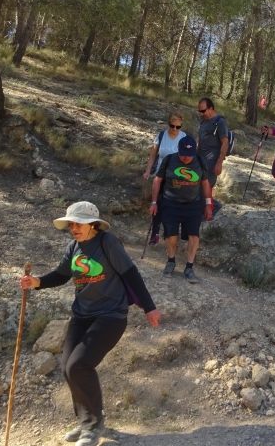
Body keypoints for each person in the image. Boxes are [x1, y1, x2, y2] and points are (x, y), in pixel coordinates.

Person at [19, 202, 160, 446]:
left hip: (110, 315)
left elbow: (130, 273)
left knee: (79, 365)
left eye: (79, 224)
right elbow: (61, 275)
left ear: (92, 224)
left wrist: (149, 307)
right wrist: (36, 282)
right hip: (82, 315)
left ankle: (93, 427)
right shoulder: (73, 247)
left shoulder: (107, 242)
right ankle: (87, 422)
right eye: (71, 224)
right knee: (67, 368)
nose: (74, 228)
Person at [150, 136, 214, 282]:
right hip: (171, 202)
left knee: (194, 235)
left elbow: (205, 184)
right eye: (183, 155)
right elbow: (157, 180)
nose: (186, 158)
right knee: (171, 234)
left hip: (193, 204)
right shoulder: (169, 160)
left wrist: (208, 204)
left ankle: (189, 267)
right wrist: (154, 202)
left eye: (189, 155)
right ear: (178, 149)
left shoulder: (200, 161)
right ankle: (171, 262)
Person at [142, 112, 186, 245]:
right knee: (157, 203)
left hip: (176, 177)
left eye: (178, 127)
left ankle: (169, 233)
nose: (174, 129)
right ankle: (154, 233)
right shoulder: (161, 136)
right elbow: (153, 155)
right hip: (161, 175)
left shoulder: (184, 138)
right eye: (172, 126)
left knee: (170, 205)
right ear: (168, 123)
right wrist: (148, 171)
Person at [197, 98, 227, 217]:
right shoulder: (204, 122)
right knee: (197, 184)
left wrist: (219, 163)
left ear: (211, 108)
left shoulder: (219, 121)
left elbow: (225, 142)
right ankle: (206, 209)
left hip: (212, 159)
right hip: (200, 158)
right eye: (199, 111)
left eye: (203, 111)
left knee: (206, 185)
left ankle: (212, 209)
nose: (201, 114)